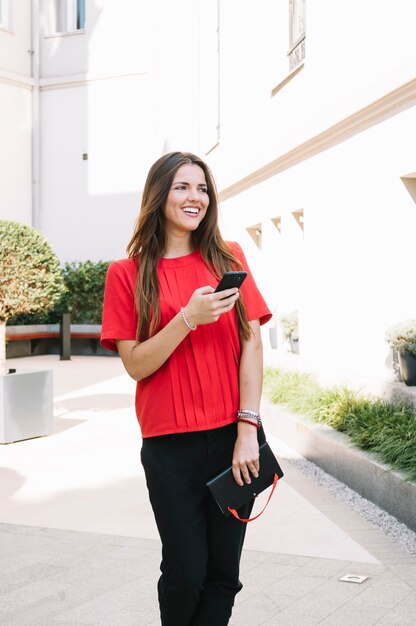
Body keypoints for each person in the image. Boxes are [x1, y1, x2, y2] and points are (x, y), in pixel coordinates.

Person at [100, 151, 271, 625]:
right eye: (182, 187)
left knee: (223, 574)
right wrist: (187, 320)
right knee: (185, 572)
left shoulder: (228, 256)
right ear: (159, 195)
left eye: (202, 187)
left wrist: (247, 429)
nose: (195, 197)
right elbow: (136, 365)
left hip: (233, 441)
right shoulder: (127, 273)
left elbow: (252, 345)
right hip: (169, 448)